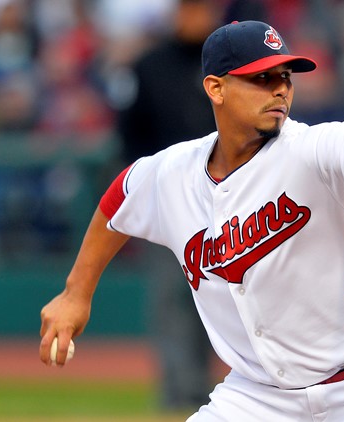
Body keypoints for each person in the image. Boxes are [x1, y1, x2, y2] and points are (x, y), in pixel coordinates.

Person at [39, 20, 344, 421]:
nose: (280, 90)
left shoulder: (315, 151)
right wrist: (75, 293)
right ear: (216, 87)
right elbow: (118, 200)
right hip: (257, 399)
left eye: (285, 77)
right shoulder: (171, 172)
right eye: (261, 78)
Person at [110, 0, 222, 411]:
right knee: (172, 299)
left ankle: (236, 392)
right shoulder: (149, 66)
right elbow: (128, 135)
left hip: (230, 199)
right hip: (169, 201)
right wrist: (148, 188)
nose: (194, 18)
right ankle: (180, 395)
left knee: (231, 299)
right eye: (188, 10)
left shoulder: (228, 64)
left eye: (201, 10)